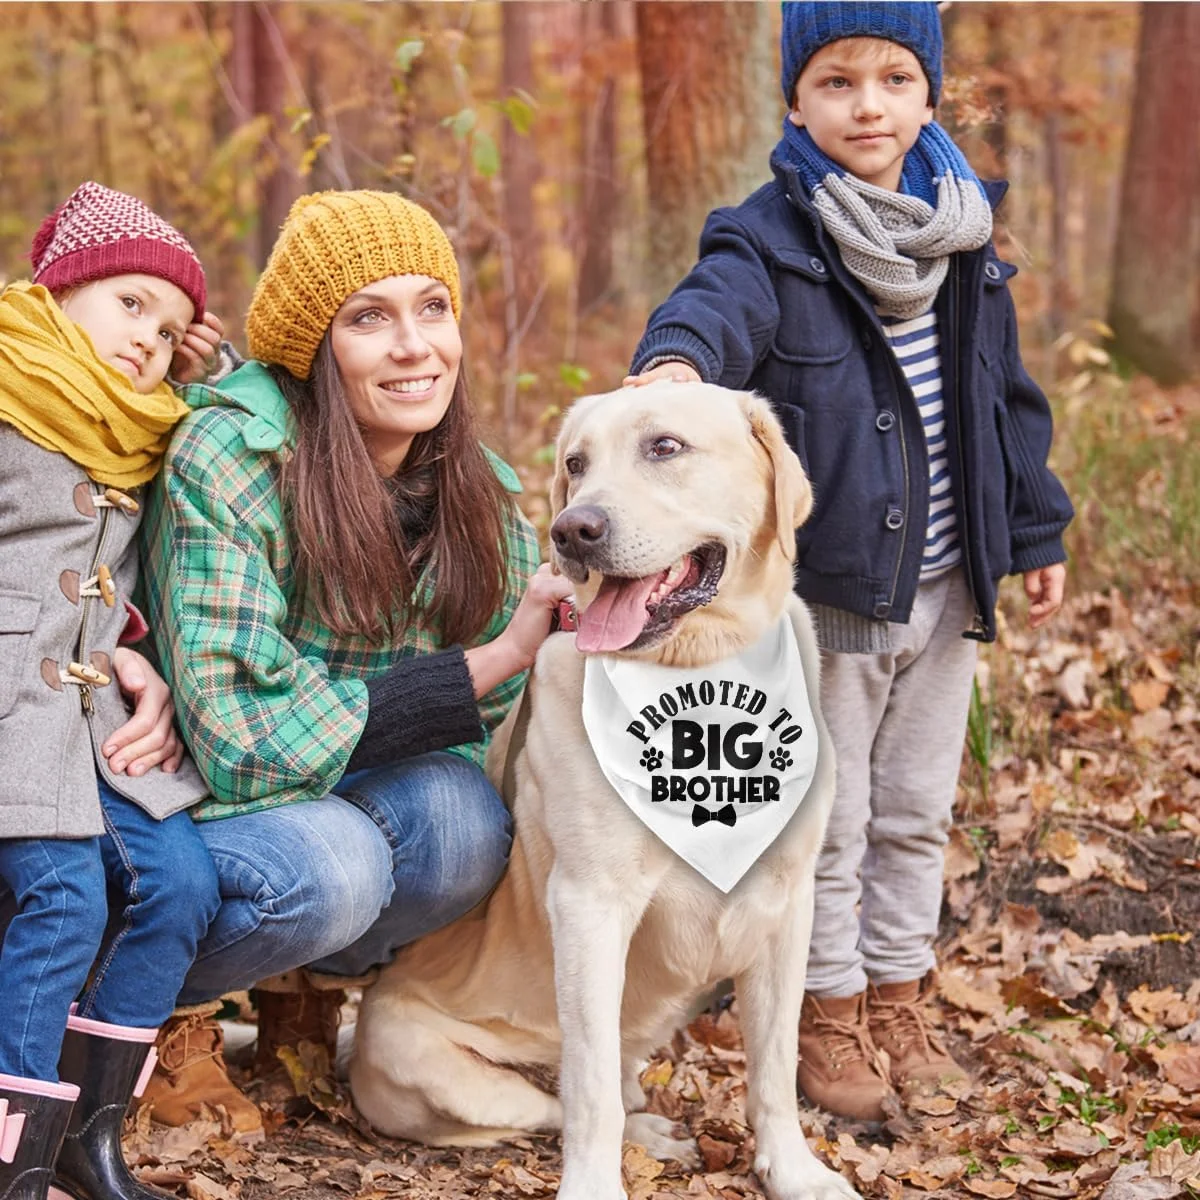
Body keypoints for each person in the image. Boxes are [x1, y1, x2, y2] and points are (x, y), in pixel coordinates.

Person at [627, 2, 1073, 1121]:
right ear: (795, 101)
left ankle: (899, 998)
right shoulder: (767, 235)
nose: (867, 106)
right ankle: (824, 1011)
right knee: (828, 820)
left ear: (929, 94)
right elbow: (712, 306)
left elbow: (1006, 401)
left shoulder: (964, 235)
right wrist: (677, 364)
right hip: (836, 594)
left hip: (950, 581)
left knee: (917, 811)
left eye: (892, 80)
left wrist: (1034, 529)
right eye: (836, 81)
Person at [137, 189, 572, 1124]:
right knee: (337, 866)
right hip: (192, 801)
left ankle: (299, 991)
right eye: (369, 318)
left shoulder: (480, 495)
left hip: (329, 781)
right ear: (314, 348)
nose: (415, 347)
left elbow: (471, 733)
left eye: (433, 308)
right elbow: (239, 740)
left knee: (462, 826)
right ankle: (154, 1016)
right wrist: (493, 660)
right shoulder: (230, 457)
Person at [0, 181, 226, 1200]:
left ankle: (87, 1140)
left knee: (181, 884)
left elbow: (102, 570)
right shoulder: (12, 387)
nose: (148, 338)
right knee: (63, 898)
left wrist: (126, 638)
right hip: (13, 715)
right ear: (63, 290)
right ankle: (13, 1158)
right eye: (130, 303)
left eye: (170, 328)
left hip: (88, 718)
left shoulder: (139, 427)